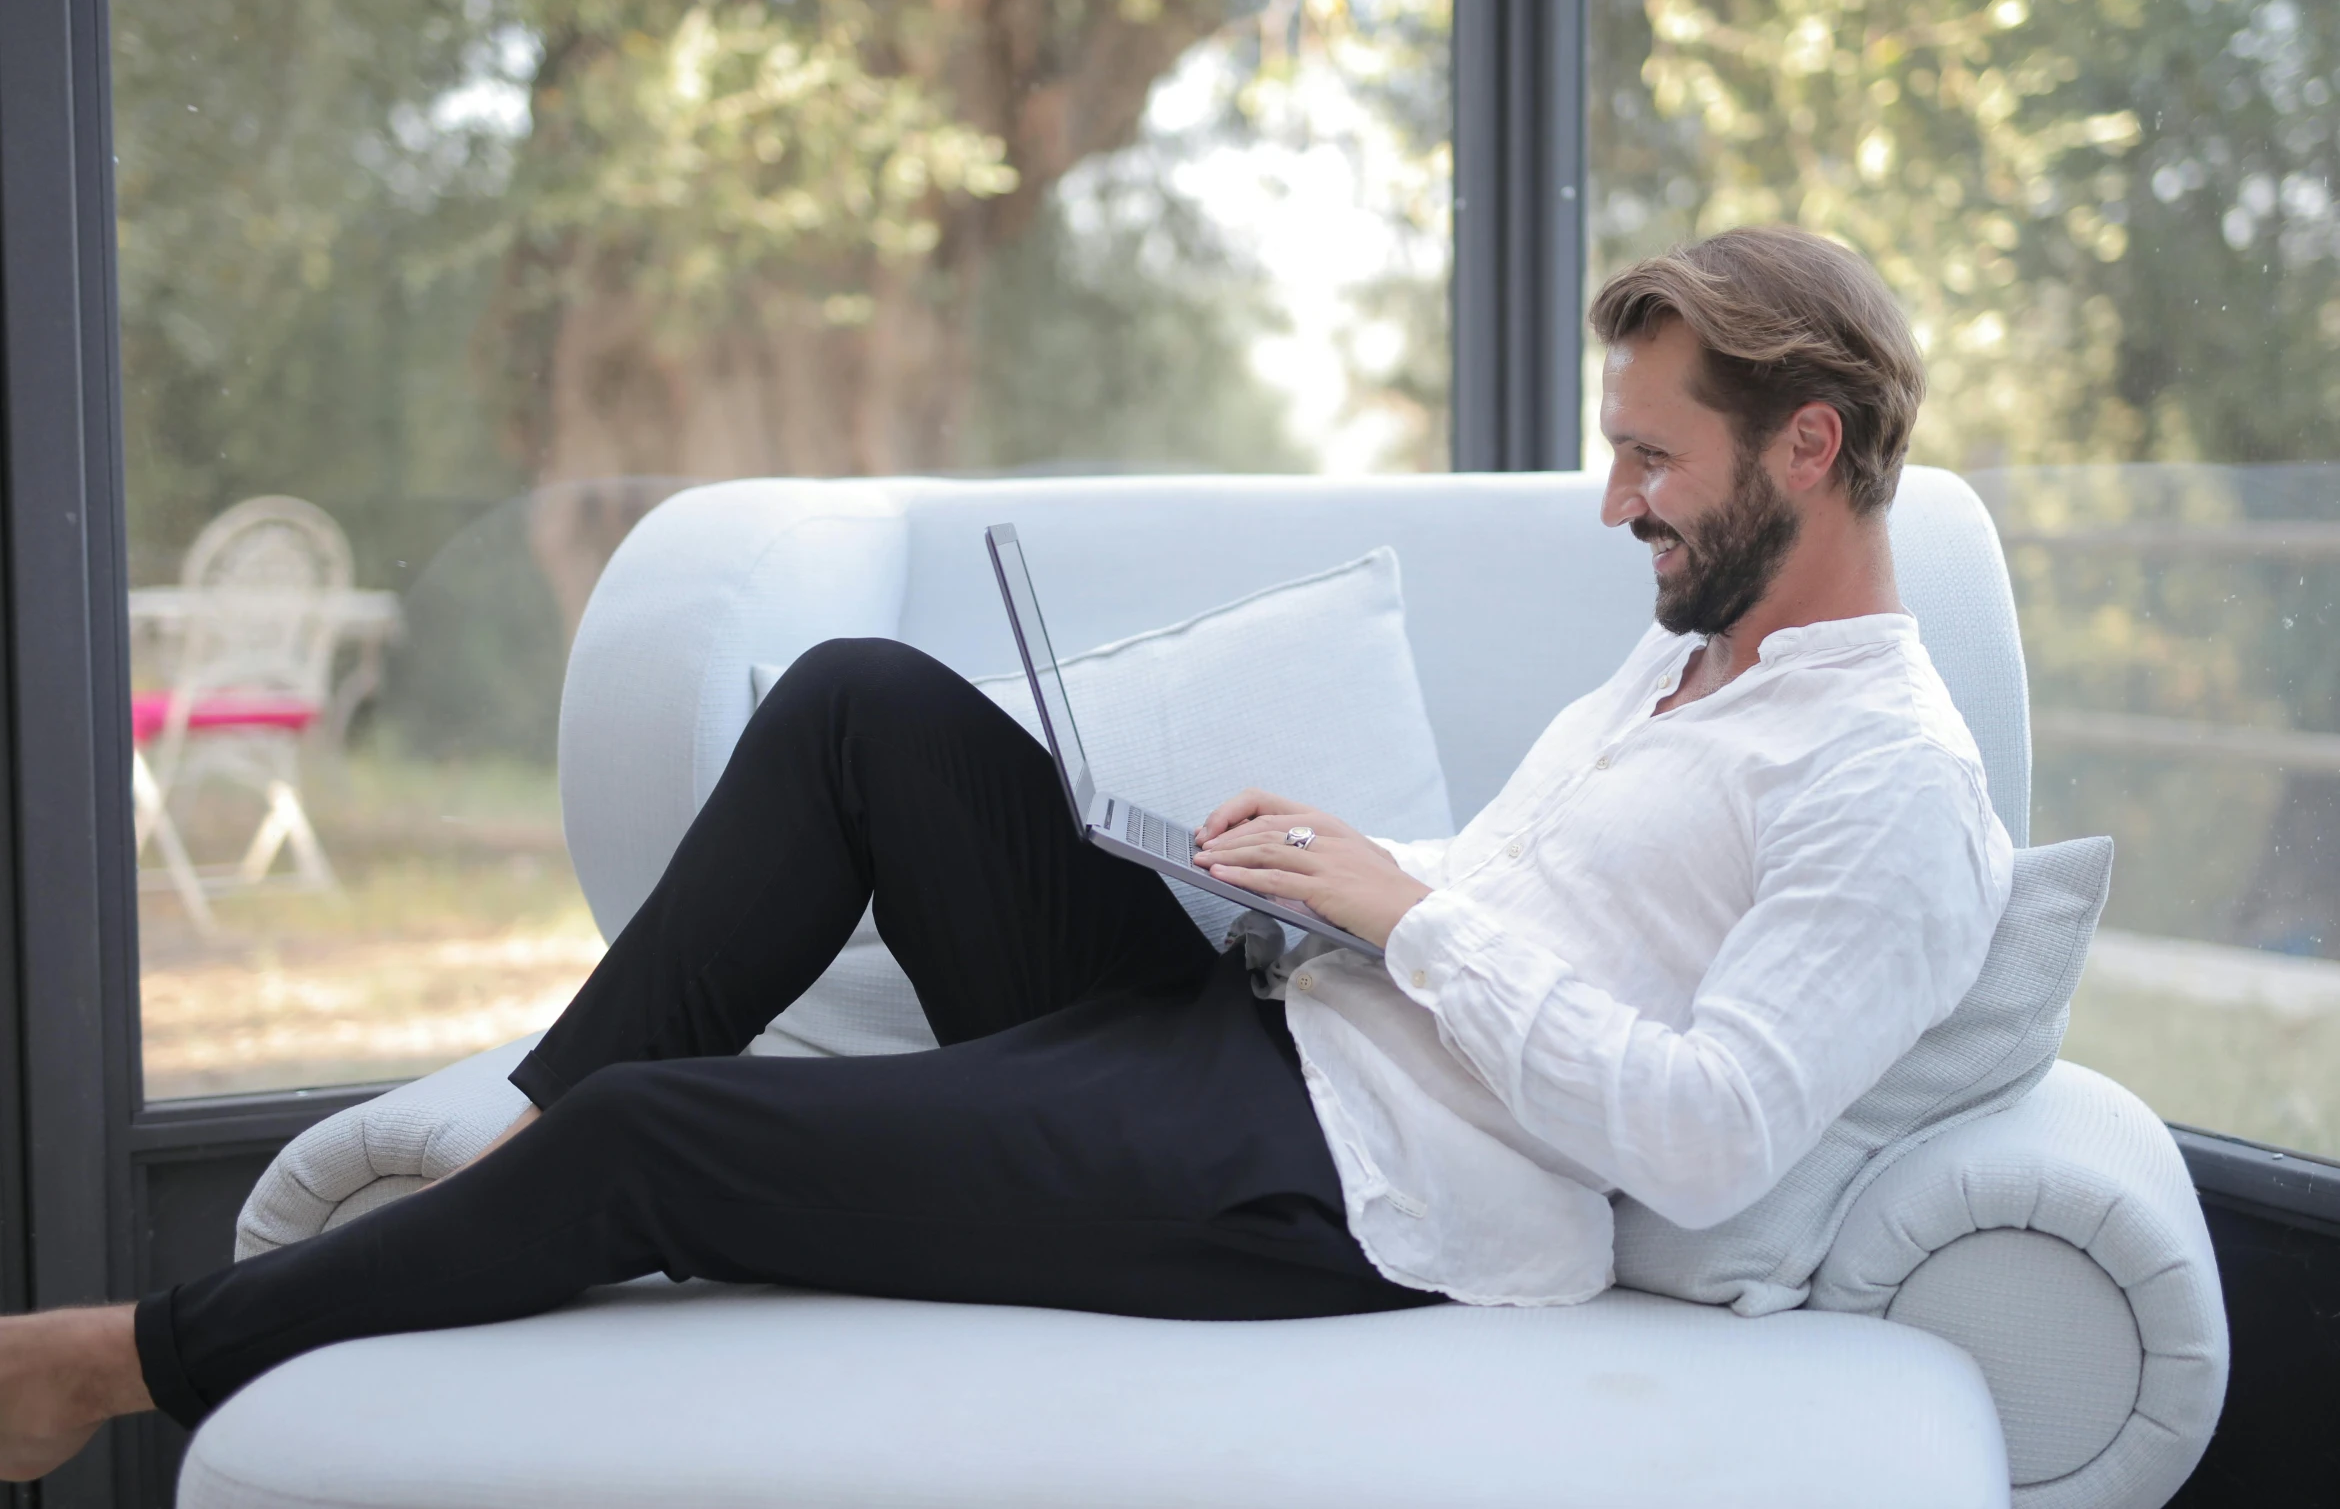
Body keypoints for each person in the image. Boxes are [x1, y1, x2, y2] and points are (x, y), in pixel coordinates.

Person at [0, 224, 2010, 1478]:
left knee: (666, 1145)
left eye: (1654, 457)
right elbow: (1522, 908)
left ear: (1810, 447)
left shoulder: (1891, 783)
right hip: (1282, 1031)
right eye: (1618, 447)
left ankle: (115, 1363)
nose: (1616, 504)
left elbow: (1715, 1131)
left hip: (1359, 1197)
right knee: (866, 700)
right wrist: (1318, 864)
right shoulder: (1690, 669)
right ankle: (527, 1136)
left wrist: (1412, 915)